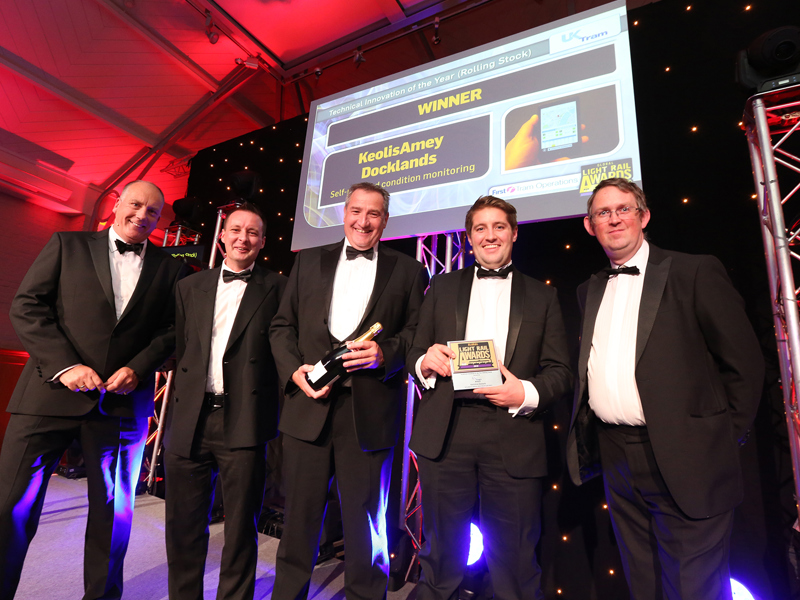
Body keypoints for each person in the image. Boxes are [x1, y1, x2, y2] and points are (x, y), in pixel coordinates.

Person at [566, 178, 765, 600]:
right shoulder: (589, 290)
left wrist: (722, 438)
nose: (614, 218)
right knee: (645, 582)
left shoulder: (694, 271)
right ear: (589, 226)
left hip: (691, 457)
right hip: (617, 456)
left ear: (644, 216)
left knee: (696, 588)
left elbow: (744, 364)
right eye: (603, 213)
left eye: (623, 208)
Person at [0, 180, 185, 600]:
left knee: (112, 516)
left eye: (152, 212)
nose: (142, 215)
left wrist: (139, 369)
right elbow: (27, 305)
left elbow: (173, 330)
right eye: (135, 204)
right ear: (118, 205)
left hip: (121, 407)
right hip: (47, 396)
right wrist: (65, 365)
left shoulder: (172, 268)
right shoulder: (67, 244)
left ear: (159, 220)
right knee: (10, 504)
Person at [406, 195, 572, 600]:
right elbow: (413, 350)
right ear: (470, 237)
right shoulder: (441, 286)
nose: (490, 235)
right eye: (480, 228)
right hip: (447, 430)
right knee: (441, 553)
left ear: (514, 234)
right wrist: (425, 362)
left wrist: (525, 392)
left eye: (499, 226)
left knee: (514, 557)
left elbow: (561, 372)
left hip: (513, 429)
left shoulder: (542, 296)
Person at [269, 182, 427, 600]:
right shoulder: (308, 262)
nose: (363, 221)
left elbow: (417, 336)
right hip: (309, 409)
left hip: (370, 415)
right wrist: (294, 373)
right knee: (299, 523)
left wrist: (384, 354)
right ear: (344, 213)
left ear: (386, 220)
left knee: (368, 528)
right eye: (356, 211)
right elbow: (282, 326)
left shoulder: (409, 271)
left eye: (373, 214)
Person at [163, 203, 287, 600]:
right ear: (222, 236)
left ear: (263, 242)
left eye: (253, 233)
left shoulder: (279, 287)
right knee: (183, 524)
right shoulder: (188, 287)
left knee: (239, 528)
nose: (243, 238)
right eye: (236, 230)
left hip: (245, 419)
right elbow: (182, 348)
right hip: (190, 418)